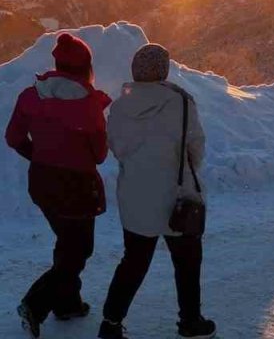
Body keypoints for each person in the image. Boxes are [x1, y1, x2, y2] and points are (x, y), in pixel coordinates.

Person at [97, 43, 217, 339]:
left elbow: (117, 148)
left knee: (133, 262)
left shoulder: (119, 105)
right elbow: (195, 148)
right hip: (177, 196)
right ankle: (190, 322)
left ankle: (110, 324)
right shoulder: (181, 101)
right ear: (163, 71)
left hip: (135, 195)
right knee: (187, 262)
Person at [5, 32, 112, 338]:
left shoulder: (31, 95)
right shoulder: (89, 105)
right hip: (76, 187)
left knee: (67, 243)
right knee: (78, 250)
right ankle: (34, 304)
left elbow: (13, 138)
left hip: (41, 181)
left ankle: (68, 304)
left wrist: (38, 155)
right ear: (85, 67)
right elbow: (100, 155)